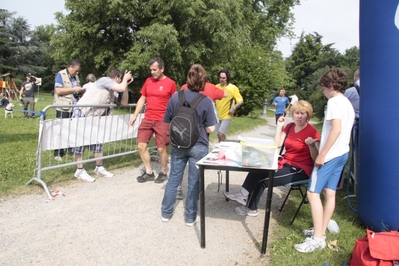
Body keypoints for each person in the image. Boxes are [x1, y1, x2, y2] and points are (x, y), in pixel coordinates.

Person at [224, 100, 320, 217]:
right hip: (285, 162)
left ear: (308, 115)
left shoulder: (312, 132)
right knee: (257, 167)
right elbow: (278, 144)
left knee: (263, 180)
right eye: (296, 113)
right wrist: (279, 127)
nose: (299, 116)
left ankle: (251, 208)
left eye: (302, 113)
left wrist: (311, 145)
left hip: (300, 169)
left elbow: (316, 158)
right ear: (292, 114)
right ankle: (243, 194)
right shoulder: (290, 127)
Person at [294, 68, 354, 253]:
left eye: (323, 87)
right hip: (343, 153)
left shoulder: (334, 102)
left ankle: (317, 238)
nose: (322, 91)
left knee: (313, 194)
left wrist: (322, 154)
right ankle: (321, 230)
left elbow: (336, 130)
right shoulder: (347, 103)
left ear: (331, 85)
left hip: (330, 156)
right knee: (330, 193)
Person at [161, 64, 217, 226]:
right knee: (194, 182)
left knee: (173, 178)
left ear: (188, 78)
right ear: (203, 81)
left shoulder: (175, 97)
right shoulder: (206, 101)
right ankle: (190, 218)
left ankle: (166, 213)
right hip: (198, 145)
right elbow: (210, 128)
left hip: (178, 144)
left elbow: (167, 121)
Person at [70, 68, 133, 182]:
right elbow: (120, 87)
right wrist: (125, 80)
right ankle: (79, 170)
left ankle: (99, 167)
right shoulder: (105, 80)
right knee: (79, 142)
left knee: (98, 142)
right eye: (120, 80)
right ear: (116, 78)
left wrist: (126, 85)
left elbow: (124, 102)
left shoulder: (114, 90)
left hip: (95, 118)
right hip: (83, 112)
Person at [129, 57, 177, 183]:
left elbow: (174, 102)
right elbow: (142, 98)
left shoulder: (170, 83)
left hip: (163, 120)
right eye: (151, 70)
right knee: (141, 145)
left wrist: (173, 119)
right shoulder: (148, 81)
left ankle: (163, 171)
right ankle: (149, 172)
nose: (152, 72)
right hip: (148, 118)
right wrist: (135, 115)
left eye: (155, 70)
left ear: (162, 69)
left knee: (161, 148)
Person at [177, 82, 226, 199]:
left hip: (183, 133)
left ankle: (178, 188)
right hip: (200, 136)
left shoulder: (183, 88)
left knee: (180, 165)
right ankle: (194, 192)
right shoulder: (210, 90)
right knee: (196, 165)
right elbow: (225, 94)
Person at [53, 59, 85, 161]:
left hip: (74, 107)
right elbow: (58, 90)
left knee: (72, 129)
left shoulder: (76, 77)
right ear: (70, 67)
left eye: (78, 71)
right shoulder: (60, 75)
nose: (77, 73)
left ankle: (71, 149)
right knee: (61, 130)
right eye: (76, 70)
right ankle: (58, 152)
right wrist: (73, 89)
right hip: (63, 107)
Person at [215, 69, 244, 142]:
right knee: (219, 135)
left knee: (221, 133)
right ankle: (226, 148)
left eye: (223, 78)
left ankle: (223, 149)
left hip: (227, 115)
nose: (221, 79)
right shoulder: (216, 87)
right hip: (217, 115)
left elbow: (240, 100)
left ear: (227, 78)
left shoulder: (233, 88)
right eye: (220, 77)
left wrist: (233, 108)